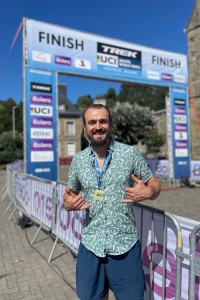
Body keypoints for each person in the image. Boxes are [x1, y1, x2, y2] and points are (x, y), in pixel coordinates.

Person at [63, 104, 161, 300]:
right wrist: (69, 204)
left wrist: (149, 191)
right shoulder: (79, 161)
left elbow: (154, 185)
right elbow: (68, 196)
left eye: (103, 121)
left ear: (110, 124)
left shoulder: (129, 154)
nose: (98, 126)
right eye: (92, 122)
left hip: (124, 244)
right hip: (91, 243)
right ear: (85, 127)